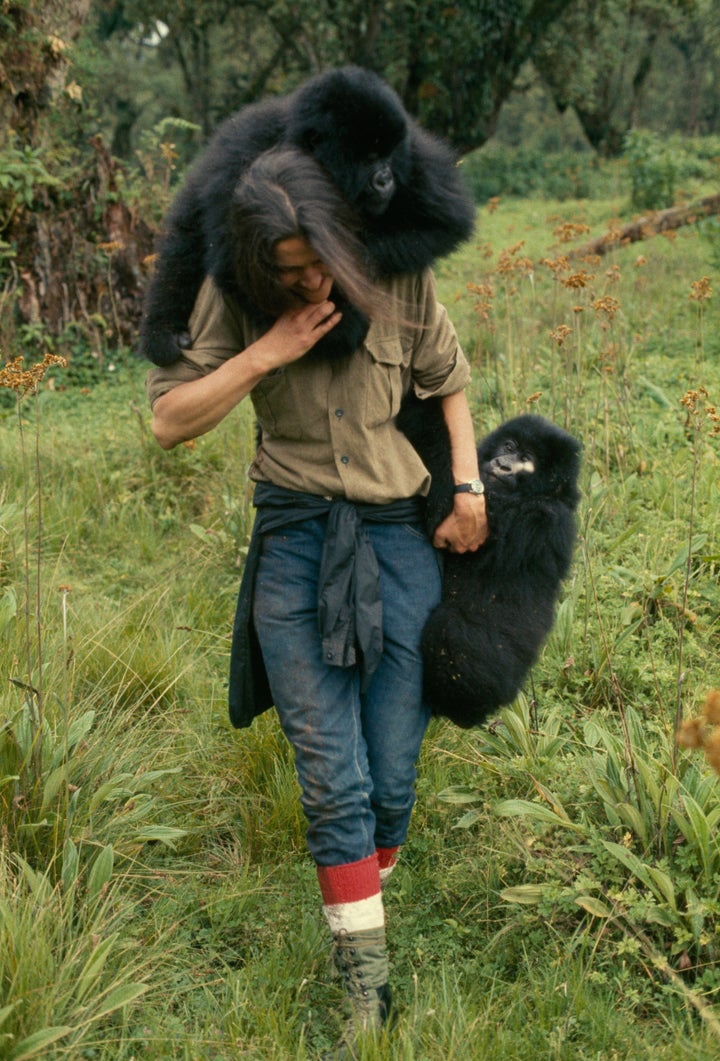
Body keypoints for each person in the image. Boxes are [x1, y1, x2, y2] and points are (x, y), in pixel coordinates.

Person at [145, 147, 487, 1056]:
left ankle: (359, 889)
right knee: (333, 777)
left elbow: (447, 381)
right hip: (295, 540)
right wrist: (267, 349)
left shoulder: (397, 275)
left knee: (392, 781)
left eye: (316, 262)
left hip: (397, 541)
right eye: (285, 270)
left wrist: (469, 489)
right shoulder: (236, 293)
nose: (306, 280)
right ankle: (366, 992)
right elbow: (169, 420)